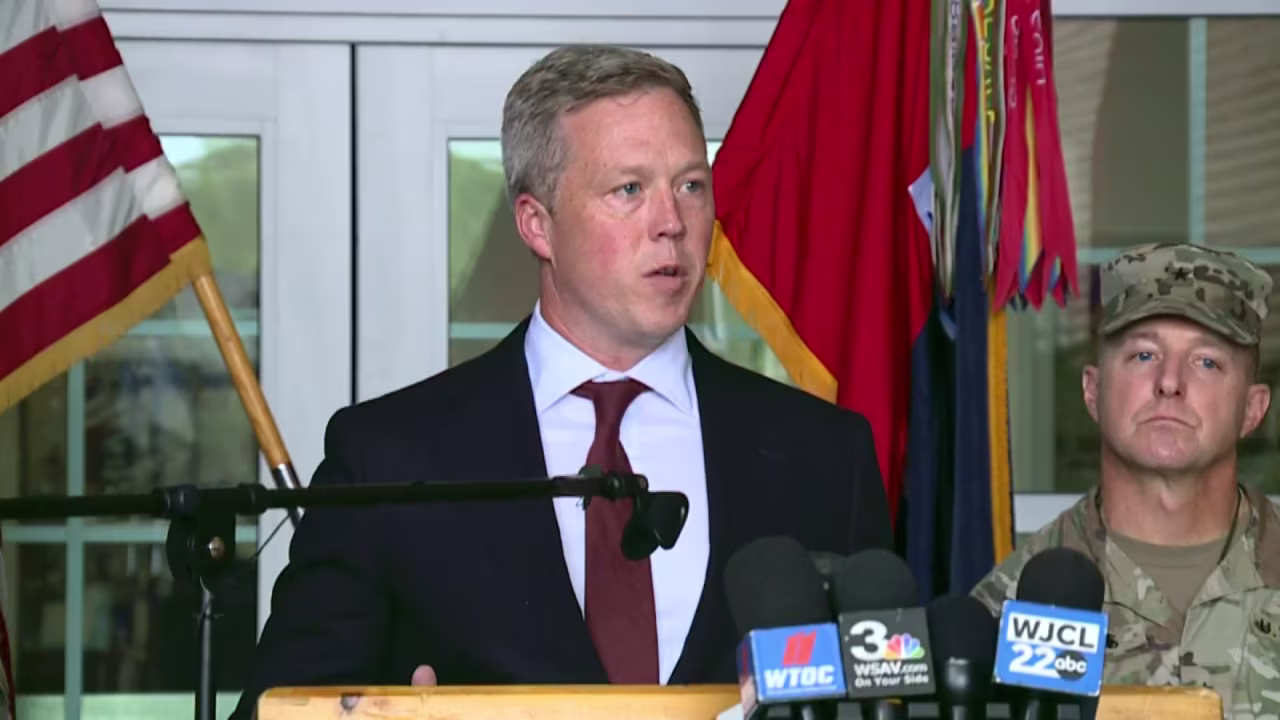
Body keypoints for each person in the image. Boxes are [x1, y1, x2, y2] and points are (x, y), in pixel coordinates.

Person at [230, 45, 892, 718]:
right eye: (629, 190)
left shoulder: (826, 456)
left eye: (691, 185)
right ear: (536, 224)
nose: (673, 223)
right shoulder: (389, 456)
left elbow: (890, 697)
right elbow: (278, 707)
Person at [972, 243, 1280, 718]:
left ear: (1253, 408)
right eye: (1143, 355)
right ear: (1092, 392)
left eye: (1207, 362)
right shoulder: (1011, 607)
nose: (1170, 382)